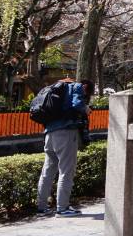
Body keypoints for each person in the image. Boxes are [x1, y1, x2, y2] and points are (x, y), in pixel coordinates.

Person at [36, 79, 93, 216]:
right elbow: (77, 104)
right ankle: (62, 208)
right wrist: (86, 109)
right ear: (85, 86)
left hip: (49, 133)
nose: (86, 95)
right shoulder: (77, 87)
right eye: (87, 93)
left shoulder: (54, 89)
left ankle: (41, 207)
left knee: (47, 171)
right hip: (66, 132)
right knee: (66, 170)